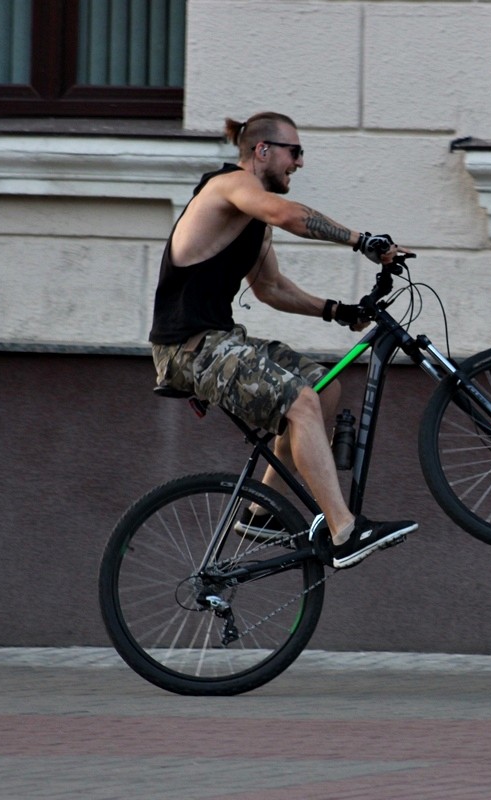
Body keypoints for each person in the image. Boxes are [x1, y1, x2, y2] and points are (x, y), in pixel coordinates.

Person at [148, 111, 417, 569]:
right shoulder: (228, 187)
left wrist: (338, 311)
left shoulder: (251, 218)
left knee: (325, 386)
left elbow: (271, 289)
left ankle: (261, 512)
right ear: (263, 150)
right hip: (190, 348)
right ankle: (345, 530)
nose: (300, 163)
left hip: (218, 341)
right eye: (295, 152)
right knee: (301, 403)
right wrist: (362, 241)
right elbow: (287, 214)